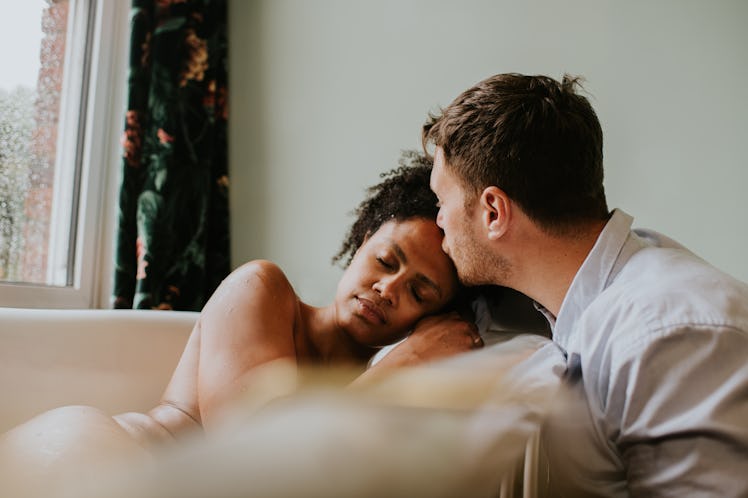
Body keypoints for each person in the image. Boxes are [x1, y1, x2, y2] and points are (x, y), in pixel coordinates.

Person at [0, 152, 483, 495]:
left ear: (431, 317)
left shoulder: (384, 393)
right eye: (384, 259)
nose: (388, 289)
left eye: (419, 291)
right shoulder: (263, 288)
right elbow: (253, 448)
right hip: (106, 456)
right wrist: (405, 363)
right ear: (361, 239)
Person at [422, 72, 748, 496]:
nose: (439, 220)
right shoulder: (591, 312)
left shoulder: (665, 332)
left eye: (441, 200)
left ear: (494, 213)